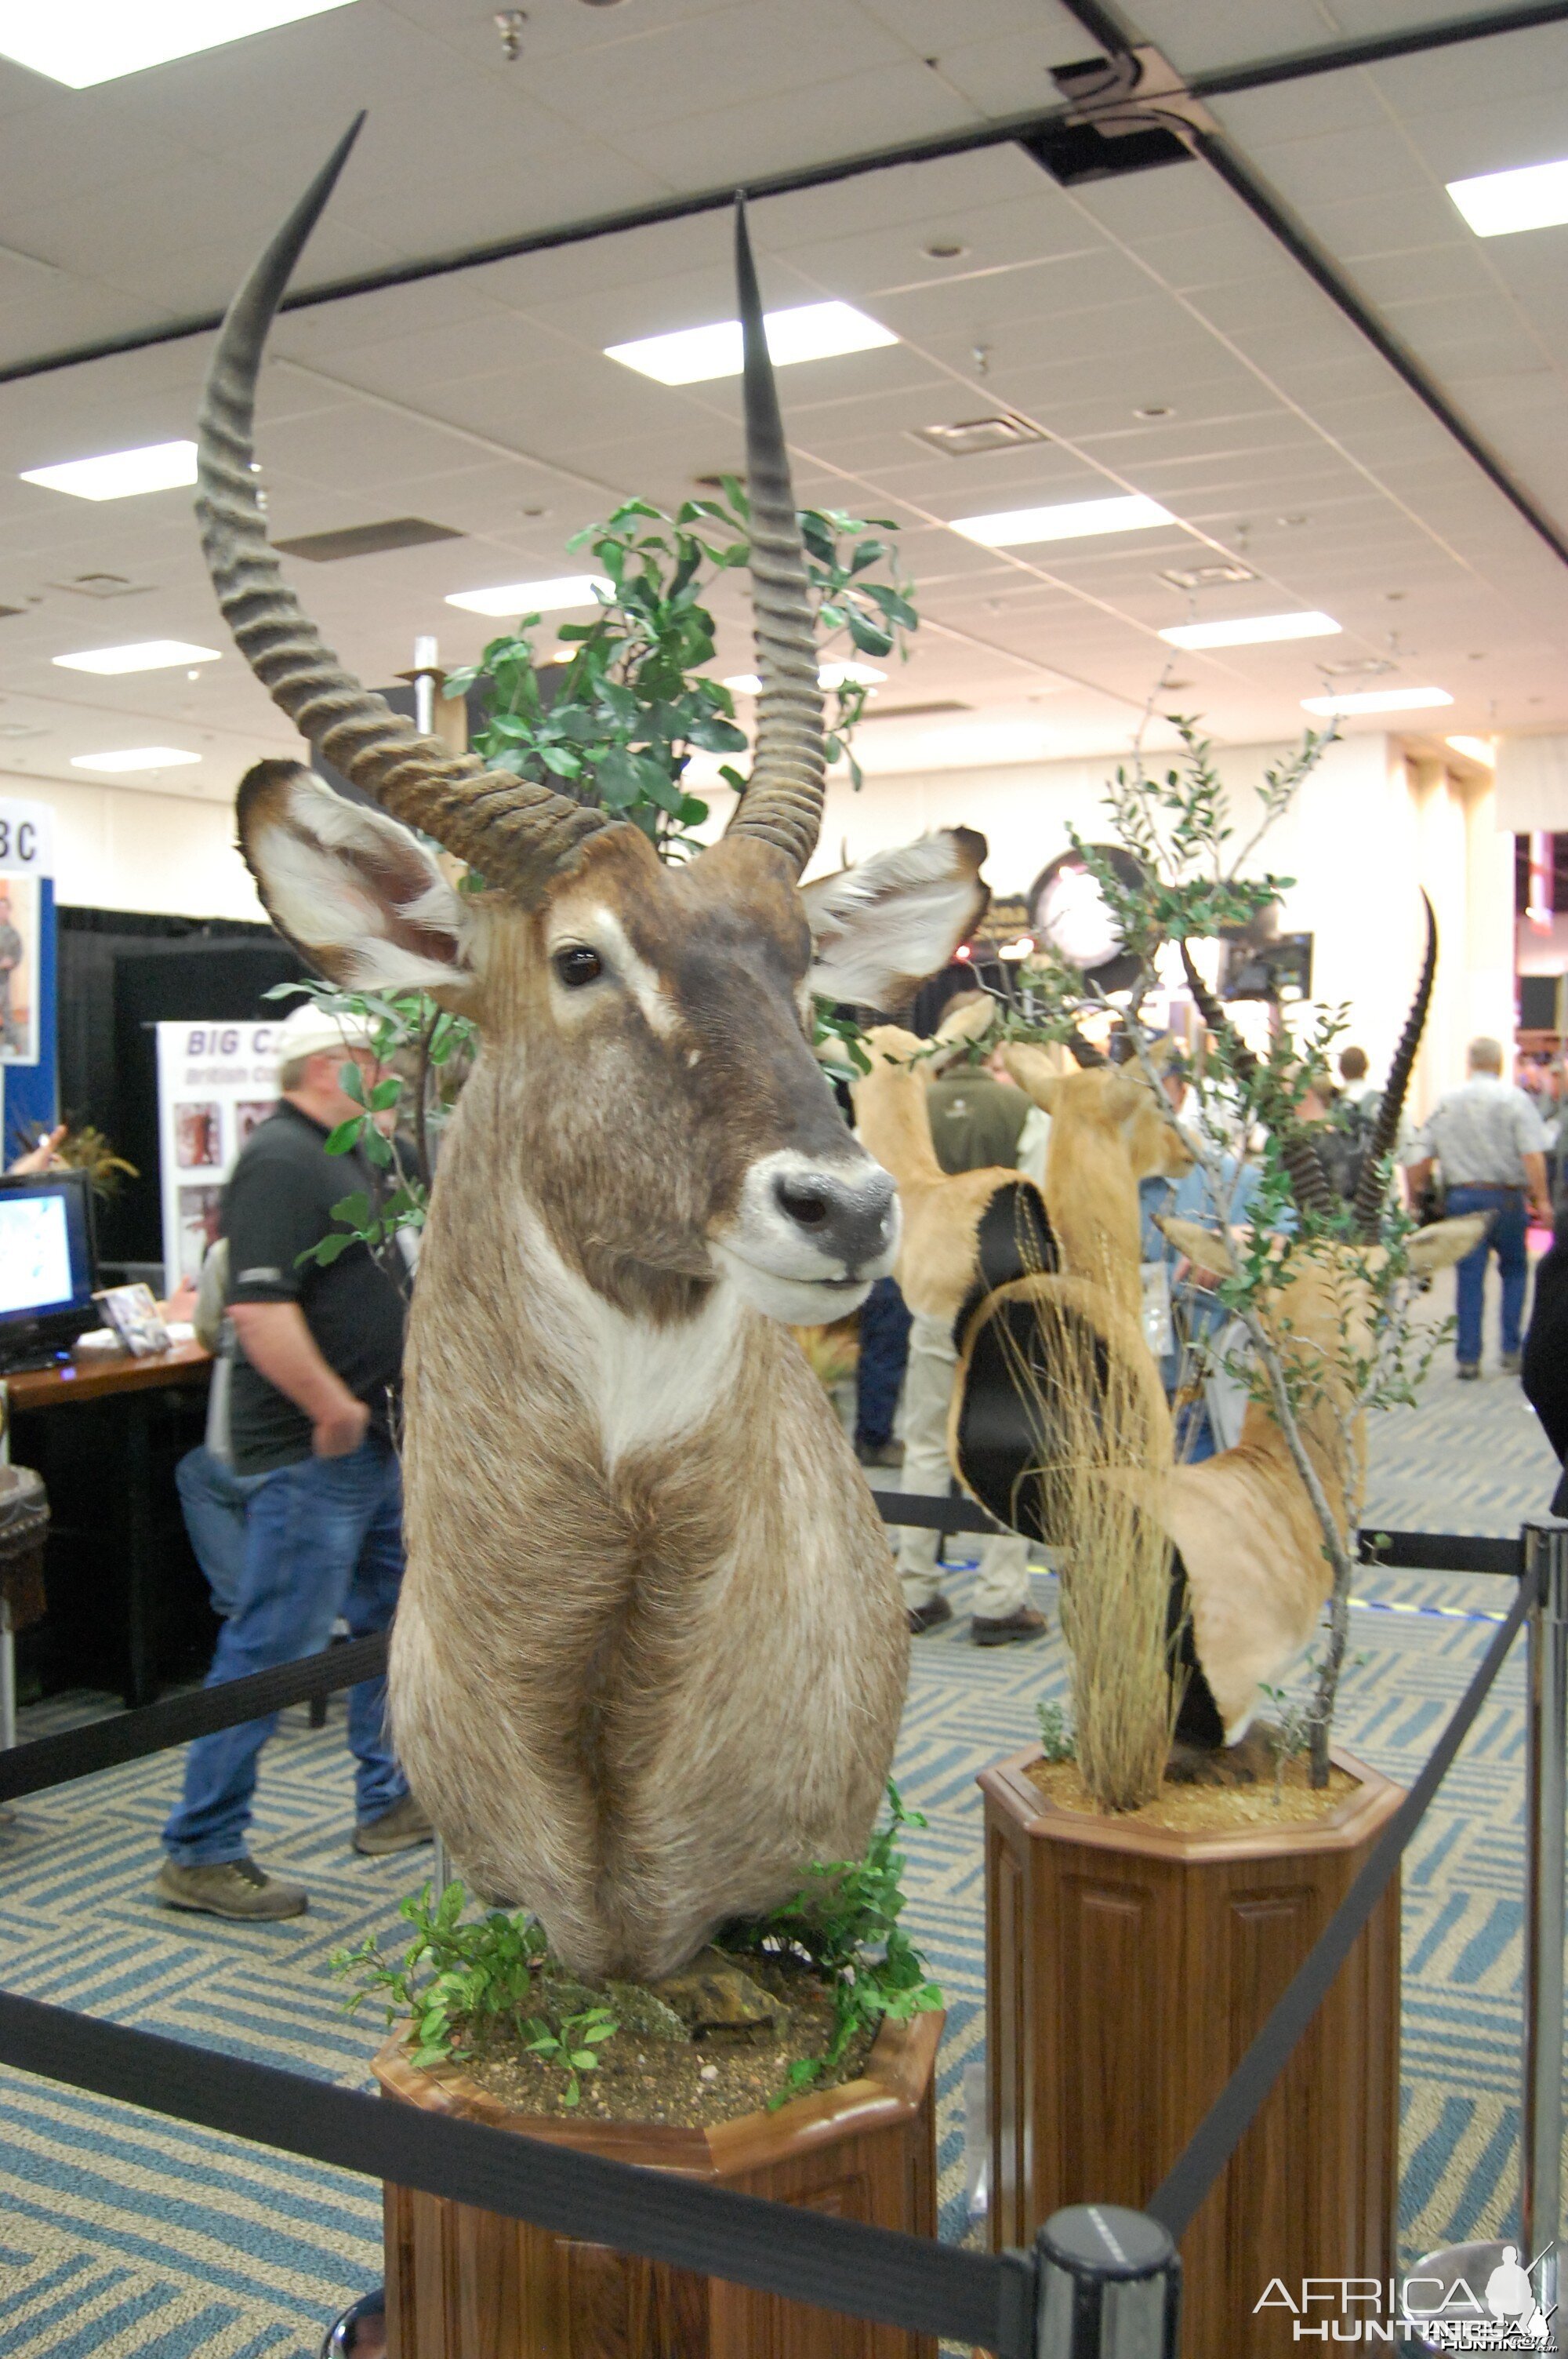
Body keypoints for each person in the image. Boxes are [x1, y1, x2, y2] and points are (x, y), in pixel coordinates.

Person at [155, 1001, 428, 1921]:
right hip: (315, 1451)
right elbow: (260, 1313)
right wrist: (333, 1406)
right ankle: (201, 1845)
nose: (391, 1070)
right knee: (271, 1649)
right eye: (375, 1057)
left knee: (393, 1630)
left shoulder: (353, 1153)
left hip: (373, 1446)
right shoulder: (278, 1157)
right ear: (328, 1066)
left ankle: (387, 1799)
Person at [895, 1033, 1046, 1647]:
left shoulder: (918, 1110)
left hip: (934, 1293)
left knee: (926, 1442)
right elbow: (1039, 1200)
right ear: (994, 1050)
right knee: (1003, 1440)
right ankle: (998, 1600)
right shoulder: (1024, 1112)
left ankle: (915, 1590)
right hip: (1002, 1294)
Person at [1408, 1037, 1552, 1380]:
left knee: (1469, 1276)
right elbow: (1532, 1155)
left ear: (1469, 1063)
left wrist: (1417, 1193)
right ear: (1500, 1064)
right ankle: (1510, 1350)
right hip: (1506, 1198)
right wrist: (1541, 1199)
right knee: (1515, 1272)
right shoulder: (1515, 1100)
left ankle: (1468, 1358)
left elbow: (1421, 1153)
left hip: (1463, 1198)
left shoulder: (1448, 1101)